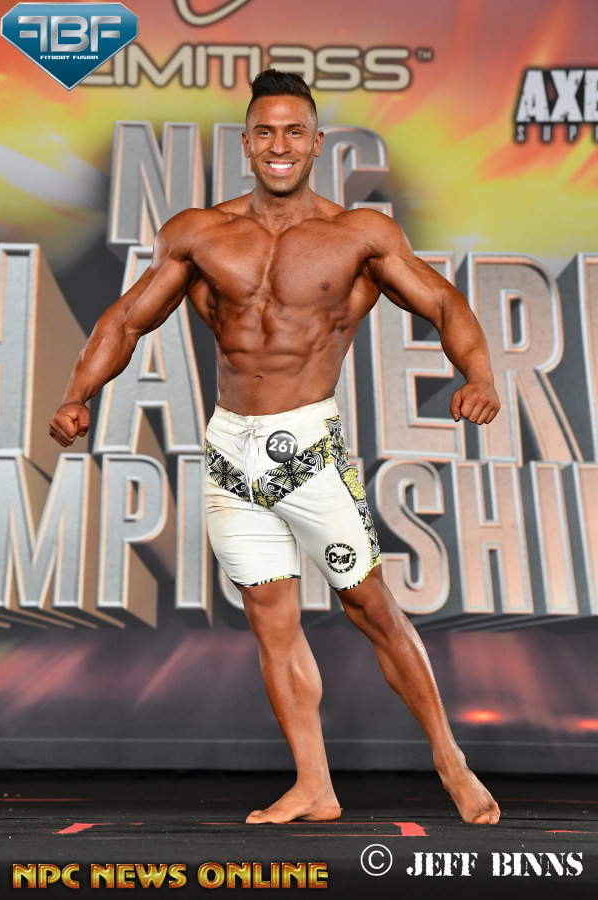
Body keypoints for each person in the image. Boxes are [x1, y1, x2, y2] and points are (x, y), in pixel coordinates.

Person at [49, 69, 501, 826]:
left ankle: (451, 760)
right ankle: (314, 785)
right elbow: (127, 319)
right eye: (265, 131)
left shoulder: (359, 235)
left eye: (294, 131)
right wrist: (78, 393)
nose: (279, 144)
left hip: (311, 448)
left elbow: (443, 300)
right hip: (231, 450)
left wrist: (479, 375)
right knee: (270, 616)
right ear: (247, 143)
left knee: (370, 607)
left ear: (317, 143)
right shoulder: (199, 234)